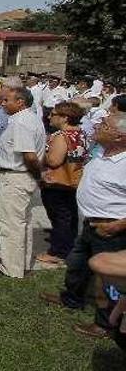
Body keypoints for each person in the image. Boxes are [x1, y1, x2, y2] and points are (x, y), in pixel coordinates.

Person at [40, 113, 126, 338]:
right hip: (89, 223)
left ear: (119, 136)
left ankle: (106, 323)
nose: (98, 125)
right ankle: (72, 298)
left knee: (107, 280)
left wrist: (118, 225)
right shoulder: (100, 152)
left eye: (105, 125)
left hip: (111, 229)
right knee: (77, 264)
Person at [0, 87, 46, 278]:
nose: (3, 104)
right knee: (22, 223)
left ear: (20, 102)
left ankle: (12, 268)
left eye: (7, 100)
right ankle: (21, 262)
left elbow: (29, 156)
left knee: (11, 225)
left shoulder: (21, 122)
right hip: (20, 175)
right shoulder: (28, 119)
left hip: (15, 176)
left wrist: (38, 175)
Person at [37, 101, 89, 265]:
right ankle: (67, 245)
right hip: (72, 181)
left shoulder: (62, 136)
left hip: (57, 182)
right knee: (69, 215)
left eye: (53, 114)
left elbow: (54, 160)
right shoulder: (80, 133)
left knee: (60, 217)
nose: (49, 116)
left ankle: (59, 251)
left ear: (65, 118)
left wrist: (41, 155)